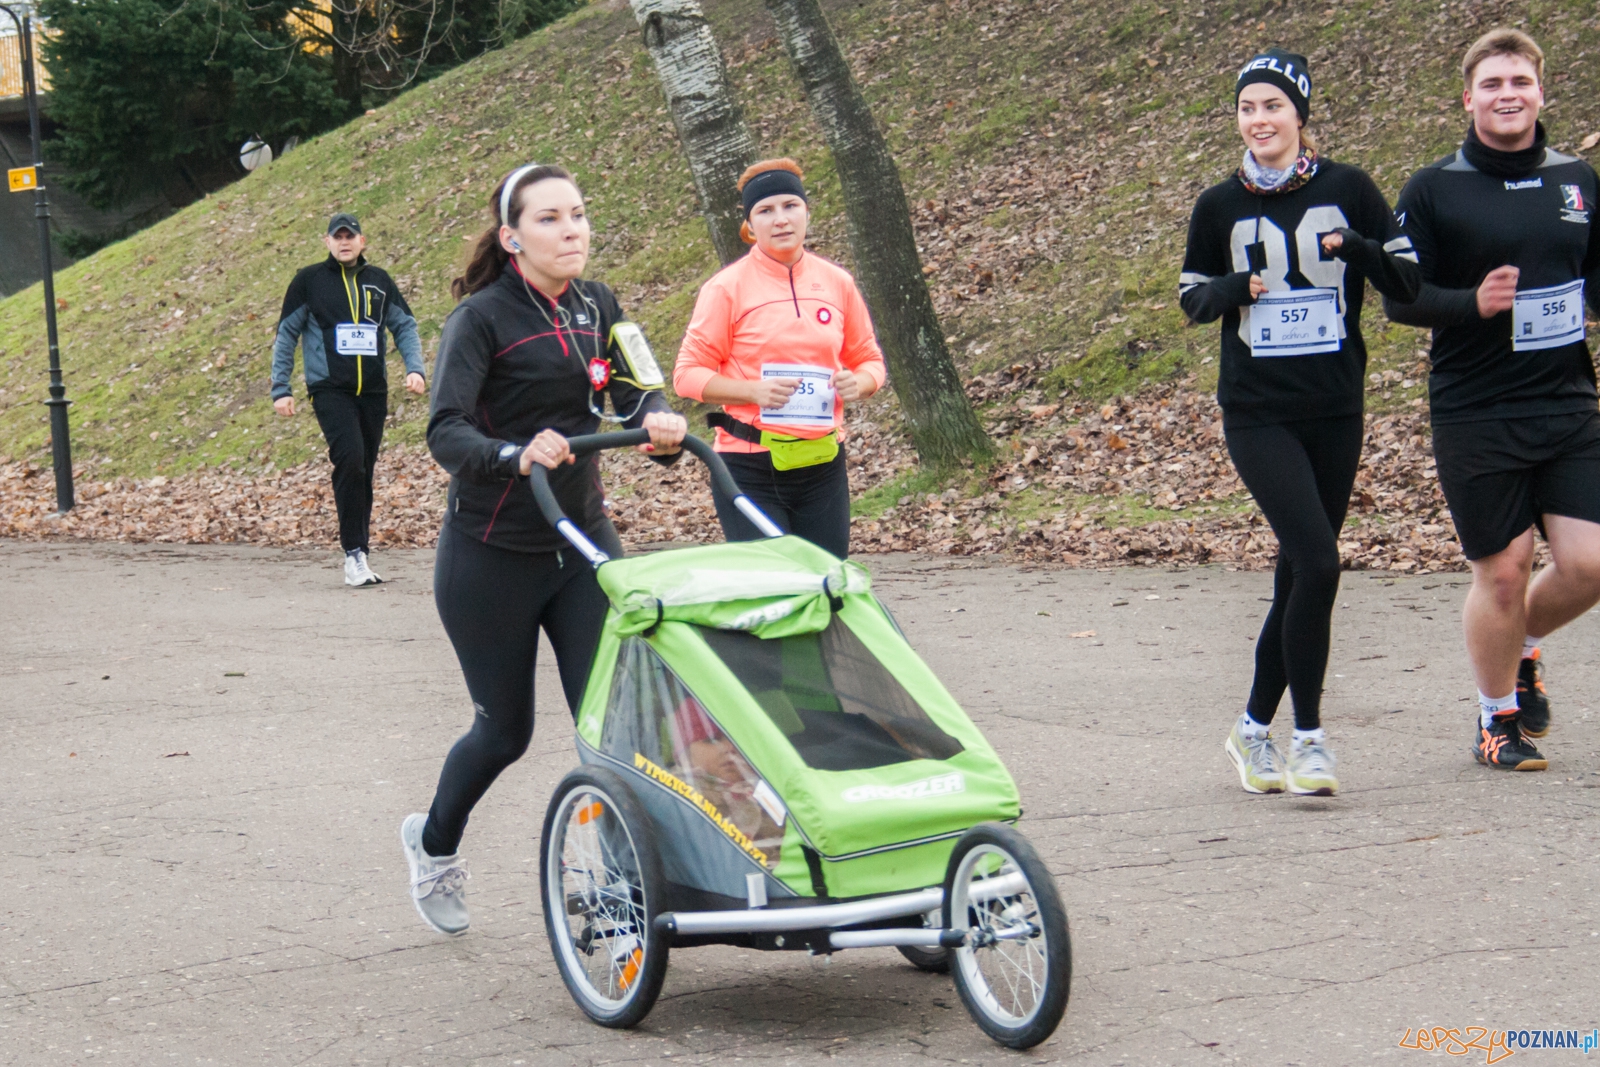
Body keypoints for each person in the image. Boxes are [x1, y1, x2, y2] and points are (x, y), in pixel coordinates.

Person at [398, 164, 687, 936]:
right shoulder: (480, 319)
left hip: (582, 542)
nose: (571, 230)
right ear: (512, 237)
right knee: (505, 731)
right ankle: (433, 843)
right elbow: (446, 430)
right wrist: (513, 453)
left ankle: (623, 885)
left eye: (578, 215)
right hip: (490, 554)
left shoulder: (599, 304)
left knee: (616, 723)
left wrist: (658, 421)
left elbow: (636, 389)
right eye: (550, 218)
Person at [1179, 49, 1421, 797]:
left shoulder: (1350, 188)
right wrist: (1232, 288)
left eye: (1273, 106)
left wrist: (1359, 248)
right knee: (1318, 563)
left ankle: (1252, 728)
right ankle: (1309, 740)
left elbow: (1409, 280)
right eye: (1247, 108)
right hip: (1258, 412)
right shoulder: (1218, 205)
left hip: (1335, 407)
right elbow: (1192, 299)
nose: (1260, 120)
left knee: (1298, 576)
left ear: (1300, 115)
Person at [1385, 29, 1600, 773]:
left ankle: (1523, 648)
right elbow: (1401, 298)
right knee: (1504, 571)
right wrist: (1470, 303)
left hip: (1567, 402)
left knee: (1590, 564)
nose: (1507, 95)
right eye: (1492, 84)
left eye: (1519, 81)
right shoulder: (1433, 189)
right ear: (1468, 98)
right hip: (1476, 409)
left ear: (1541, 90)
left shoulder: (1577, 179)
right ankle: (1496, 718)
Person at [673, 159, 887, 559]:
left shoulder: (837, 282)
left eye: (791, 206)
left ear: (807, 212)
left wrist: (859, 383)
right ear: (750, 226)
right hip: (749, 465)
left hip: (822, 463)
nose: (781, 219)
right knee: (772, 587)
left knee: (825, 583)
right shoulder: (726, 288)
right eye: (765, 211)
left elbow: (870, 360)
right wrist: (753, 391)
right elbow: (686, 375)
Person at [271, 213, 428, 586]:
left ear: (362, 241)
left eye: (350, 236)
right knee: (351, 460)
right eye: (337, 237)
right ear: (326, 241)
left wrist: (415, 368)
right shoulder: (309, 281)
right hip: (330, 388)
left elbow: (404, 325)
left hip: (373, 390)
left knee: (364, 469)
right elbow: (286, 333)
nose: (344, 242)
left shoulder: (379, 281)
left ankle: (361, 553)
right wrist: (281, 387)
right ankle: (353, 553)